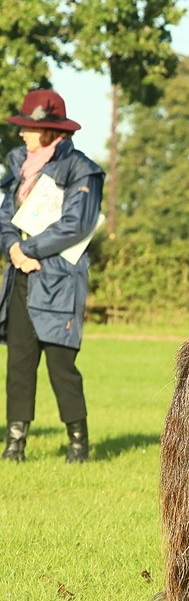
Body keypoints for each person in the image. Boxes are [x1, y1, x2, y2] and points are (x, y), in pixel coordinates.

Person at [0, 90, 105, 463]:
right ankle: (15, 444)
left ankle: (78, 444)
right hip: (20, 277)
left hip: (59, 280)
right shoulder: (18, 165)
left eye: (28, 128)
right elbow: (5, 216)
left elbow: (77, 223)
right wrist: (14, 249)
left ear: (49, 131)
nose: (21, 134)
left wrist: (28, 249)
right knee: (19, 365)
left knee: (62, 366)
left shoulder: (82, 169)